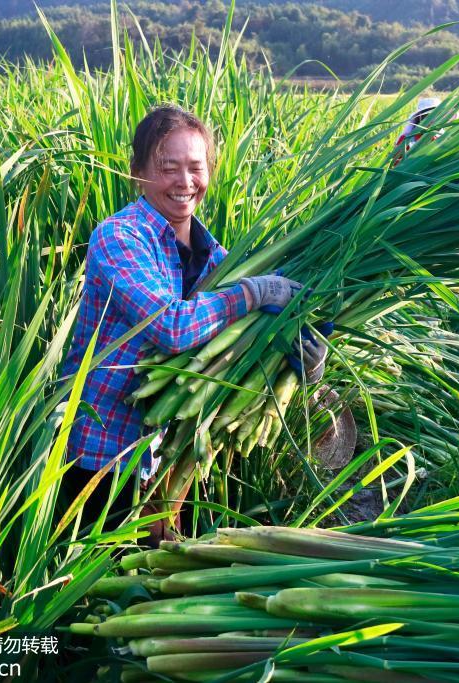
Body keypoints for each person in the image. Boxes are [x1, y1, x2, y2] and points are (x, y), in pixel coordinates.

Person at [60, 104, 327, 535]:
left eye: (195, 167)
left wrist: (303, 362)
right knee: (96, 586)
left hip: (169, 460)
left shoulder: (216, 259)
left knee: (153, 588)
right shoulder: (118, 238)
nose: (185, 182)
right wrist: (254, 293)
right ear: (138, 171)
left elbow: (239, 351)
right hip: (101, 456)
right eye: (169, 167)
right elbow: (173, 328)